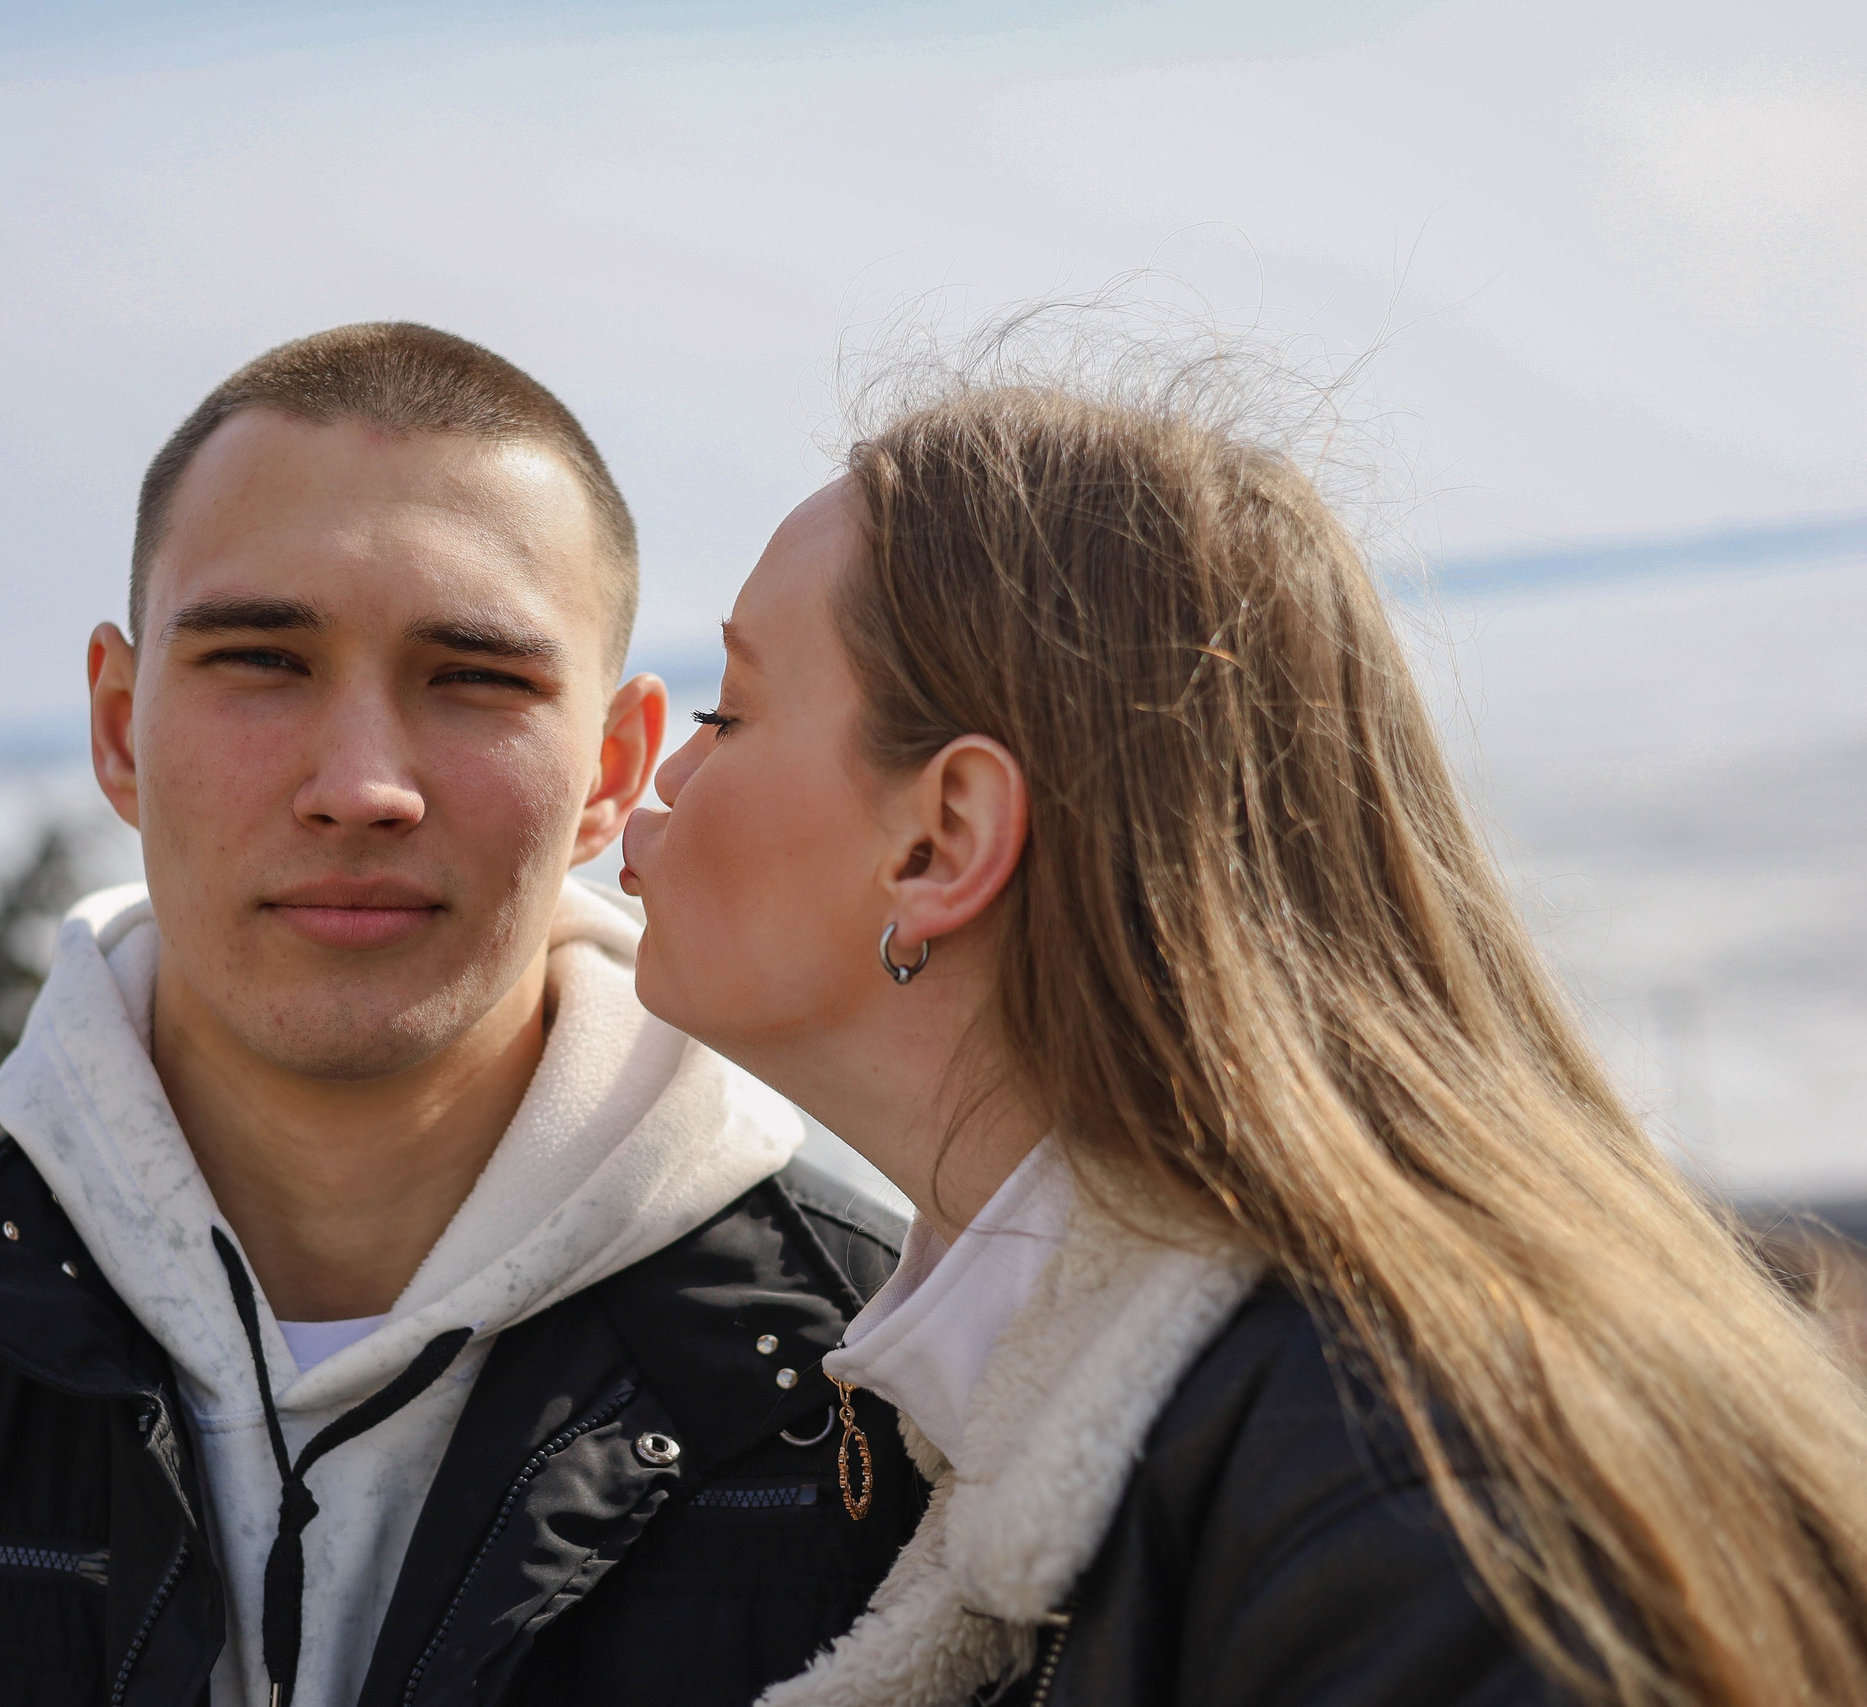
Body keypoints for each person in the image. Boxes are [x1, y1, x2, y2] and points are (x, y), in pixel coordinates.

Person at [0, 324, 924, 1707]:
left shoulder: (897, 1399)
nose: (360, 787)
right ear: (119, 729)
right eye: (263, 660)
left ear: (613, 769)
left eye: (476, 677)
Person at [617, 375, 1867, 1707]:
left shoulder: (1423, 1493)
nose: (670, 777)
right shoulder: (1150, 1420)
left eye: (727, 712)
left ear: (944, 842)